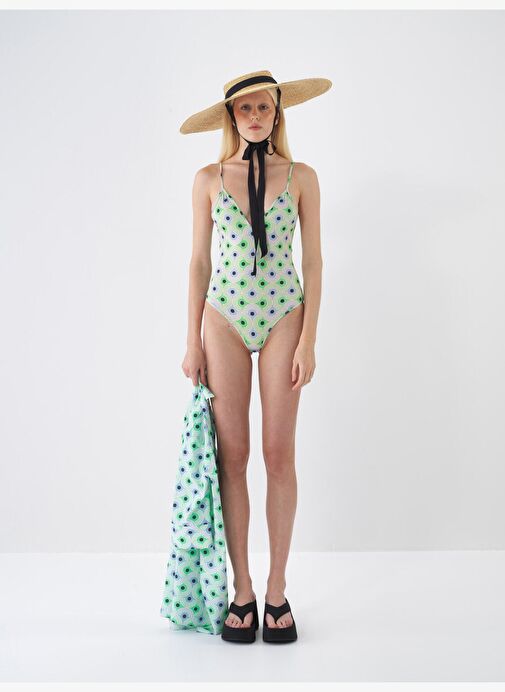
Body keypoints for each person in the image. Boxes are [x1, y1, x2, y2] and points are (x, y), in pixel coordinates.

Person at [179, 70, 332, 643]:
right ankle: (241, 590)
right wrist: (191, 339)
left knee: (277, 453)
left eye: (263, 107)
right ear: (231, 116)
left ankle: (276, 590)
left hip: (283, 314)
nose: (254, 116)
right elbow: (199, 262)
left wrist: (309, 338)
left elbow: (313, 262)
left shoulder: (301, 177)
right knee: (234, 455)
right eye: (244, 108)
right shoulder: (209, 178)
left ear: (277, 112)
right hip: (223, 317)